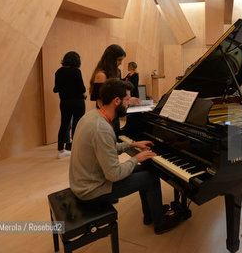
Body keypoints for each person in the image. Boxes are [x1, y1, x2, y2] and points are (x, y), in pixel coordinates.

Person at [69, 78, 180, 234]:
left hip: (86, 179)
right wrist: (135, 158)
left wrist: (132, 145)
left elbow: (105, 148)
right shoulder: (102, 128)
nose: (129, 104)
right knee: (151, 178)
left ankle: (150, 215)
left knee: (148, 169)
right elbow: (114, 174)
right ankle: (160, 223)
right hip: (92, 189)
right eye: (127, 100)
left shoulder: (92, 116)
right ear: (116, 101)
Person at [53, 51, 86, 159]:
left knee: (64, 124)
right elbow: (82, 89)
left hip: (64, 102)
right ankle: (75, 150)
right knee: (77, 125)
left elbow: (56, 89)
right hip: (78, 102)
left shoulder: (58, 72)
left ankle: (61, 150)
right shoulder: (76, 72)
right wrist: (84, 95)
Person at [90, 44, 126, 136]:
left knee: (116, 139)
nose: (121, 63)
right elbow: (99, 101)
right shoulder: (101, 75)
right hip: (106, 115)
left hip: (114, 112)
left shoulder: (117, 72)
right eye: (119, 60)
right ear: (111, 59)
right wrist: (109, 116)